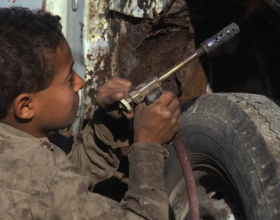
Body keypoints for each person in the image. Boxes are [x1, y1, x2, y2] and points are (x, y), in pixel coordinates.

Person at [0, 7, 182, 219]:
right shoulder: (44, 181)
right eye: (69, 79)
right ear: (25, 106)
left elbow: (73, 166)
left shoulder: (16, 145)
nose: (80, 82)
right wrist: (148, 146)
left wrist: (108, 124)